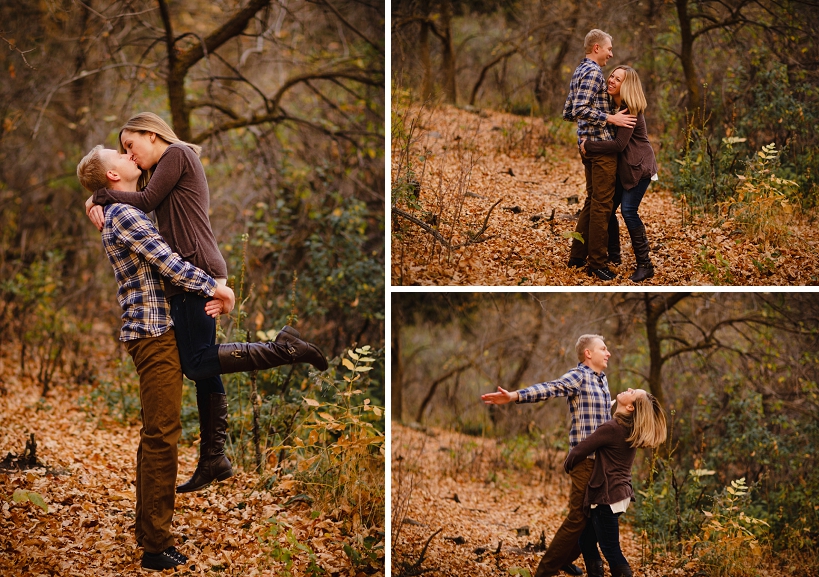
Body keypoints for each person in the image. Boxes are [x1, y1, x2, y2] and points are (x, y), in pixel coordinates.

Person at [77, 145, 327, 570]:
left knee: (163, 425)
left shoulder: (120, 208)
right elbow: (168, 262)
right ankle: (155, 546)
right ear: (112, 176)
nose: (126, 154)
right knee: (161, 436)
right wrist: (217, 288)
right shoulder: (125, 216)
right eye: (116, 153)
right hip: (153, 334)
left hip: (157, 331)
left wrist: (97, 196)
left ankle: (153, 527)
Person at [481, 334, 613, 577]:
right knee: (577, 518)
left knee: (593, 519)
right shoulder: (579, 376)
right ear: (588, 353)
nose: (608, 353)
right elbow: (550, 388)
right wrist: (514, 396)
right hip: (584, 461)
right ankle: (545, 571)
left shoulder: (602, 381)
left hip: (602, 464)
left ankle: (563, 559)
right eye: (603, 349)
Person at [563, 388, 667, 577]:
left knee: (611, 549)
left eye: (633, 392)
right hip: (618, 494)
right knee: (586, 542)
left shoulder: (612, 428)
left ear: (630, 406)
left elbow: (579, 450)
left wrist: (568, 464)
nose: (629, 389)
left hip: (607, 496)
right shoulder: (625, 428)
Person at [563, 29, 636, 281]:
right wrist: (609, 117)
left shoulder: (579, 70)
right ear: (596, 48)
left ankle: (576, 256)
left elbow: (568, 111)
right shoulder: (594, 73)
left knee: (592, 201)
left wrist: (587, 131)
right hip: (600, 149)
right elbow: (580, 108)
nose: (611, 54)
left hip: (586, 145)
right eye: (608, 49)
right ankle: (596, 263)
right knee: (602, 206)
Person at [581, 66, 658, 282]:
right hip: (625, 168)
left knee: (629, 211)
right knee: (608, 208)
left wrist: (589, 145)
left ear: (627, 86)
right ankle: (614, 257)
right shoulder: (612, 105)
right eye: (612, 76)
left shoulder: (629, 109)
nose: (612, 80)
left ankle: (646, 265)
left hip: (639, 168)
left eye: (618, 79)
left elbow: (618, 144)